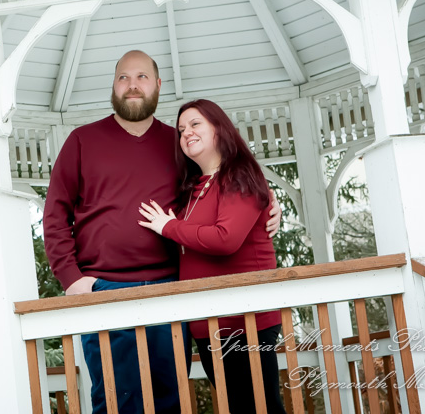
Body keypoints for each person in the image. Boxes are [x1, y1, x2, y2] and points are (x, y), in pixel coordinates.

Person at [43, 51, 281, 414]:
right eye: (124, 77)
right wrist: (71, 279)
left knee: (170, 399)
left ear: (156, 85)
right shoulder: (82, 140)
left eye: (142, 77)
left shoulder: (177, 144)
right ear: (113, 85)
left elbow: (217, 181)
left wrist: (269, 200)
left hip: (172, 290)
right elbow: (55, 213)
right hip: (105, 289)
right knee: (114, 401)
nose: (133, 85)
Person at [138, 98, 286, 414]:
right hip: (207, 323)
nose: (186, 133)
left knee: (261, 408)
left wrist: (169, 226)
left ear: (218, 128)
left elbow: (226, 239)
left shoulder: (240, 175)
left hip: (245, 320)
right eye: (180, 130)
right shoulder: (193, 188)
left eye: (195, 124)